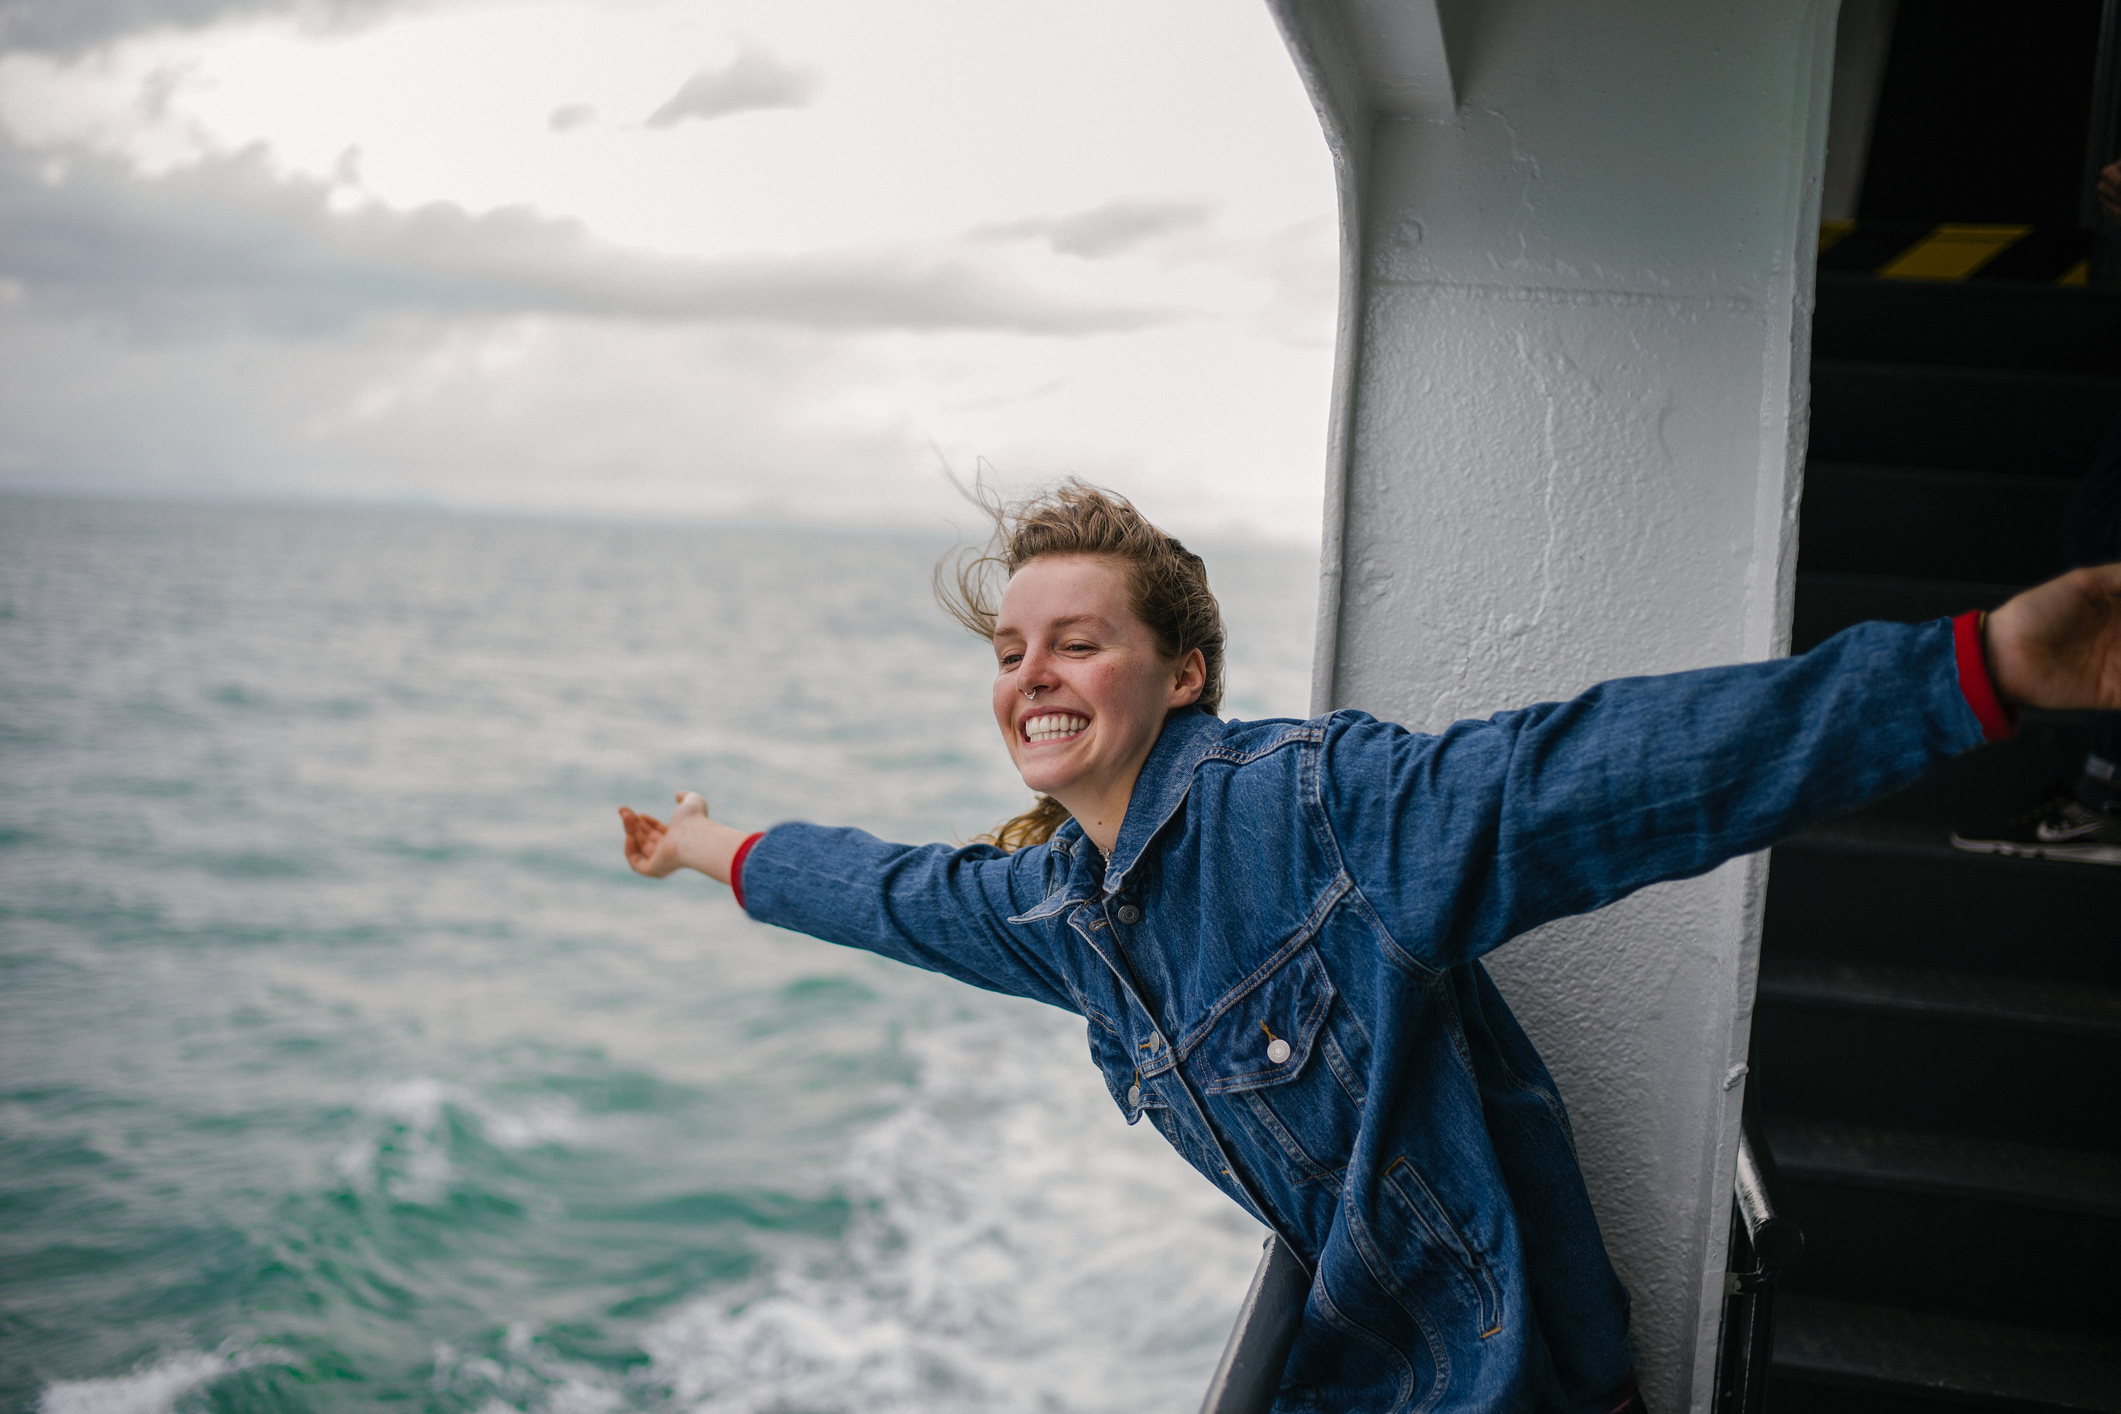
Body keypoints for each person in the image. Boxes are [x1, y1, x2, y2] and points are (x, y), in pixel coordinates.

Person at [618, 483, 2121, 1414]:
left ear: (1182, 669)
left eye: (1075, 639)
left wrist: (1980, 668)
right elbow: (888, 890)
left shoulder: (1317, 809)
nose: (1030, 675)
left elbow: (1603, 774)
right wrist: (706, 846)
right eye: (1010, 651)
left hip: (1503, 1382)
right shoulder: (1065, 908)